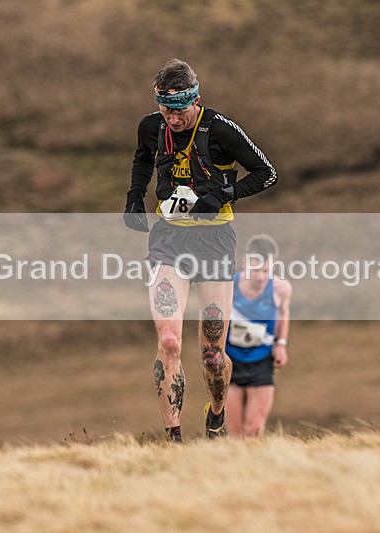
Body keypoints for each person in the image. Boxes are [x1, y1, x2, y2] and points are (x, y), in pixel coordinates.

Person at [123, 59, 278, 442]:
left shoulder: (220, 131)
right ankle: (173, 438)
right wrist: (134, 196)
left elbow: (266, 172)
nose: (172, 119)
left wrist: (226, 194)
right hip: (168, 239)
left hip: (214, 241)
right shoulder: (151, 126)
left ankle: (216, 413)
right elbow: (143, 157)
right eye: (165, 109)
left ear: (195, 100)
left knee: (212, 353)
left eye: (179, 111)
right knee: (170, 341)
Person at [225, 234, 291, 437]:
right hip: (230, 362)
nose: (261, 277)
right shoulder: (228, 286)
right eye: (255, 269)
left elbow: (283, 313)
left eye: (265, 270)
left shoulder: (281, 288)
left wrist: (281, 344)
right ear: (245, 263)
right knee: (235, 434)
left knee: (254, 430)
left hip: (261, 361)